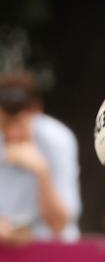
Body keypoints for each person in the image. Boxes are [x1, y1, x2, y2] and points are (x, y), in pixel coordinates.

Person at [0, 71, 81, 246]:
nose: (12, 132)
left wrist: (42, 172)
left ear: (37, 111)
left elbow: (59, 225)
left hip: (52, 248)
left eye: (19, 122)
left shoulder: (58, 140)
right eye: (5, 123)